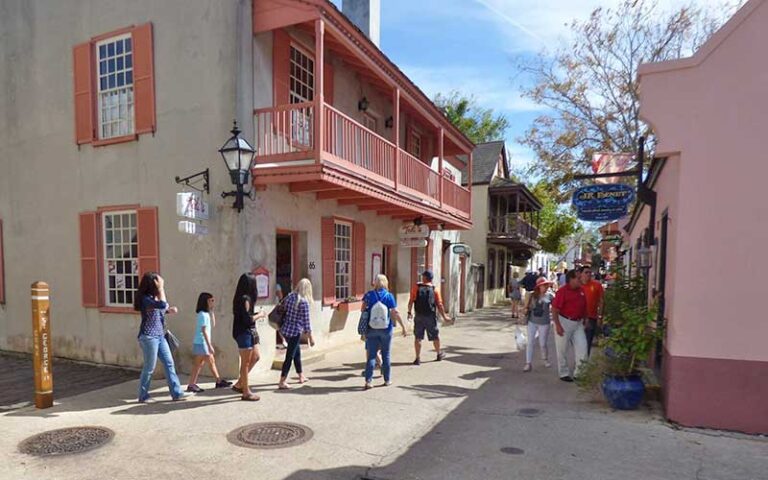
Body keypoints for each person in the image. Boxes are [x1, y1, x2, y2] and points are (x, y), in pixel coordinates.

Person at [134, 272, 185, 403]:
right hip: (149, 337)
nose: (161, 285)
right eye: (159, 283)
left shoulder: (154, 297)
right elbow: (162, 305)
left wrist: (169, 310)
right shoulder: (146, 299)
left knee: (169, 363)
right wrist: (161, 289)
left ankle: (177, 393)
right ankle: (143, 396)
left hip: (160, 335)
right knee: (150, 367)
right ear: (152, 285)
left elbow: (161, 309)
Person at [362, 275, 405, 389]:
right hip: (386, 329)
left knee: (371, 355)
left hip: (371, 328)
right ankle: (387, 379)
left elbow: (363, 309)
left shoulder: (369, 295)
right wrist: (403, 326)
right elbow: (395, 312)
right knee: (386, 354)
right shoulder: (389, 296)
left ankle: (368, 381)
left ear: (375, 282)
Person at [186, 293, 232, 393]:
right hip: (201, 343)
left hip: (202, 343)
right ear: (206, 301)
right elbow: (203, 330)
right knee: (199, 364)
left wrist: (211, 311)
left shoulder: (205, 314)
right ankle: (192, 385)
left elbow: (213, 324)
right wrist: (209, 345)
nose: (213, 302)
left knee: (209, 362)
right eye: (211, 300)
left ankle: (218, 381)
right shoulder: (202, 314)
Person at [231, 273, 267, 401]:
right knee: (245, 363)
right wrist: (260, 314)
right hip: (244, 332)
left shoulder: (245, 298)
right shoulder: (245, 299)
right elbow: (247, 319)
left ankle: (240, 383)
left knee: (256, 357)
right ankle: (245, 391)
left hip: (249, 332)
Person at [278, 278, 316, 390]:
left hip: (286, 329)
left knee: (296, 353)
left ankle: (301, 375)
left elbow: (283, 309)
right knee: (289, 356)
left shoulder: (290, 296)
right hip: (295, 331)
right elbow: (306, 322)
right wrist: (311, 338)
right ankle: (282, 381)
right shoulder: (303, 302)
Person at [551, 269, 588, 382]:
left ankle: (580, 373)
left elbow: (584, 306)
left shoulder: (581, 291)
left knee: (583, 348)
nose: (580, 279)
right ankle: (564, 373)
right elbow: (555, 309)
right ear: (571, 279)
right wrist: (558, 325)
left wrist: (585, 319)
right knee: (562, 349)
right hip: (564, 321)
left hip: (578, 323)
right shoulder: (562, 291)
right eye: (578, 278)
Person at [408, 270, 451, 365]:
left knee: (418, 337)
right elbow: (439, 305)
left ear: (424, 278)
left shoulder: (416, 287)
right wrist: (444, 316)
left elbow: (411, 301)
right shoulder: (435, 289)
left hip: (419, 315)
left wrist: (409, 312)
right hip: (430, 316)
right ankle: (439, 354)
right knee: (435, 336)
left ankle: (417, 358)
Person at [522, 277, 554, 372]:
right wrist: (526, 310)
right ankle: (528, 363)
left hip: (544, 323)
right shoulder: (532, 295)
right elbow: (526, 307)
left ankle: (545, 359)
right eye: (544, 285)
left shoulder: (550, 296)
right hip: (532, 321)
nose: (546, 287)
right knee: (530, 342)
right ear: (539, 286)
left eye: (547, 285)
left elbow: (556, 306)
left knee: (542, 343)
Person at [580, 266, 605, 356]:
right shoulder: (577, 285)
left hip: (591, 317)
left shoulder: (597, 285)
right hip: (577, 318)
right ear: (581, 274)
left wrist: (600, 316)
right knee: (577, 342)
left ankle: (583, 362)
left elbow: (601, 301)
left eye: (590, 272)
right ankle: (579, 359)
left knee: (587, 341)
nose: (588, 274)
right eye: (586, 272)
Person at [275, 284, 288, 350]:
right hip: (276, 308)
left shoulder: (277, 286)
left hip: (275, 308)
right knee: (278, 325)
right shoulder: (277, 286)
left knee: (278, 326)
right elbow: (281, 296)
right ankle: (284, 340)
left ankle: (284, 340)